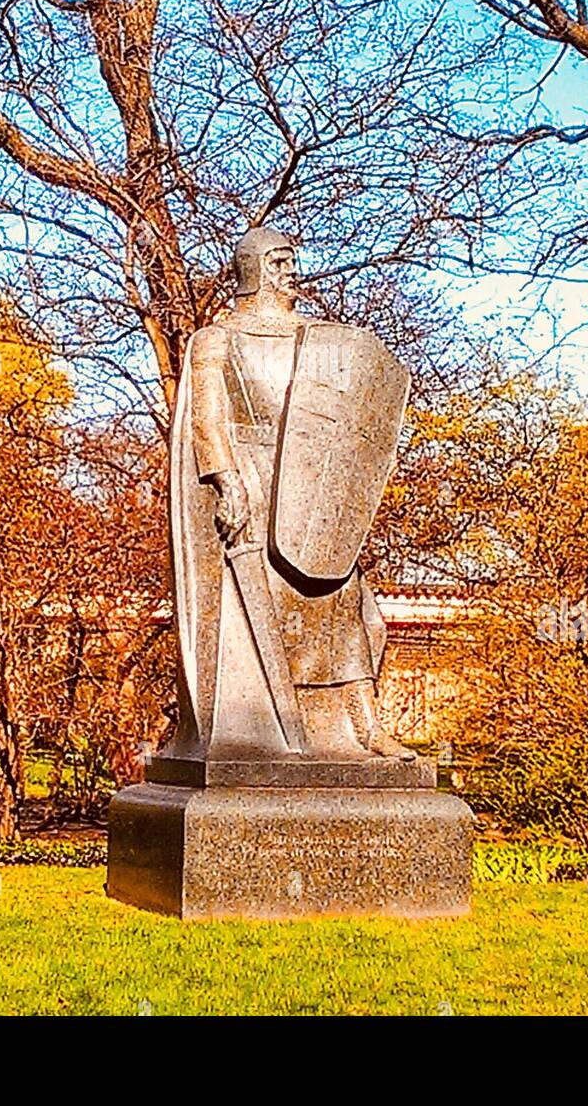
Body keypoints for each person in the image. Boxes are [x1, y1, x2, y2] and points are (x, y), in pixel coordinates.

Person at [168, 226, 413, 761]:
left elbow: (352, 418)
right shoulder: (217, 340)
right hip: (255, 489)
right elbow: (209, 420)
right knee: (271, 623)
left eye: (291, 261)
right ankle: (278, 733)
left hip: (312, 496)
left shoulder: (320, 339)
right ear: (254, 269)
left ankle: (361, 726)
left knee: (348, 610)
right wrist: (228, 482)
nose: (290, 272)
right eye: (278, 262)